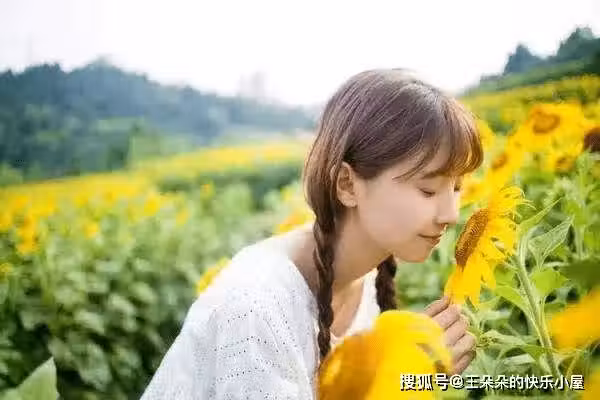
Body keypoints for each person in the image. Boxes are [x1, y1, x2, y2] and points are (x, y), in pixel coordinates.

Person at [140, 68, 483, 400]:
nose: (451, 214)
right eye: (427, 190)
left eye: (456, 187)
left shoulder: (364, 278)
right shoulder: (255, 307)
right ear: (347, 184)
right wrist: (403, 376)